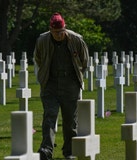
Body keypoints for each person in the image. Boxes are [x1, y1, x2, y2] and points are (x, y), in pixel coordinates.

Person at [33, 12, 89, 160]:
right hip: (50, 84)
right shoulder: (42, 40)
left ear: (65, 28)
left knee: (70, 120)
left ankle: (69, 151)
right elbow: (38, 58)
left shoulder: (76, 40)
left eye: (61, 31)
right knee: (49, 117)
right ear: (50, 30)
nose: (59, 35)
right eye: (56, 32)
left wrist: (76, 79)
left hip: (70, 84)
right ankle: (46, 150)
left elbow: (85, 61)